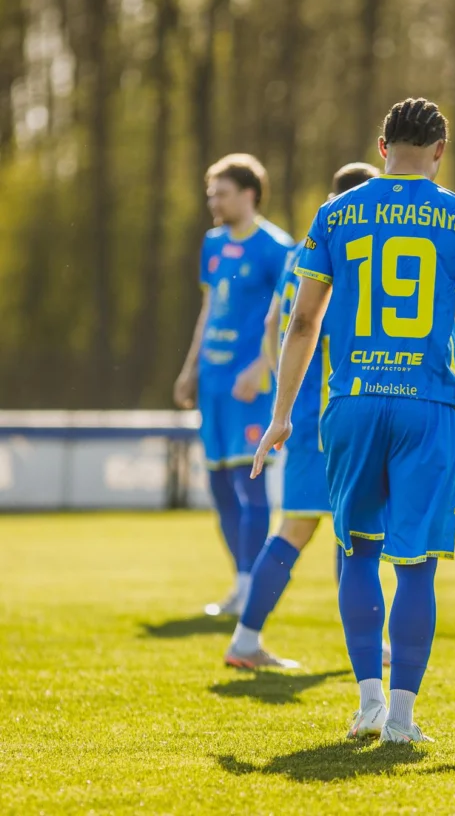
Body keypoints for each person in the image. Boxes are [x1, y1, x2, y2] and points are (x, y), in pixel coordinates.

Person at [251, 98, 455, 744]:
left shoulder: (336, 213)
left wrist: (281, 414)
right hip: (428, 404)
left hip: (353, 400)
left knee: (358, 550)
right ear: (440, 151)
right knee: (416, 563)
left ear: (382, 145)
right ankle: (402, 718)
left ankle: (367, 703)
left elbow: (302, 323)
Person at [224, 162, 381, 670]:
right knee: (319, 529)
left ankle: (254, 639)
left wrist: (282, 389)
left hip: (306, 409)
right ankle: (247, 640)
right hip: (334, 412)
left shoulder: (301, 250)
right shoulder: (353, 246)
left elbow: (275, 322)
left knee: (333, 526)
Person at [174, 154, 294, 617]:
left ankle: (251, 586)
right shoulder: (212, 244)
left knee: (251, 482)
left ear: (249, 194)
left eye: (221, 193)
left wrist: (263, 366)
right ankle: (241, 580)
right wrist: (190, 369)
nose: (213, 202)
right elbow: (209, 310)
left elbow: (291, 316)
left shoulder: (276, 247)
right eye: (211, 194)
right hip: (213, 381)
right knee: (220, 484)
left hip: (251, 386)